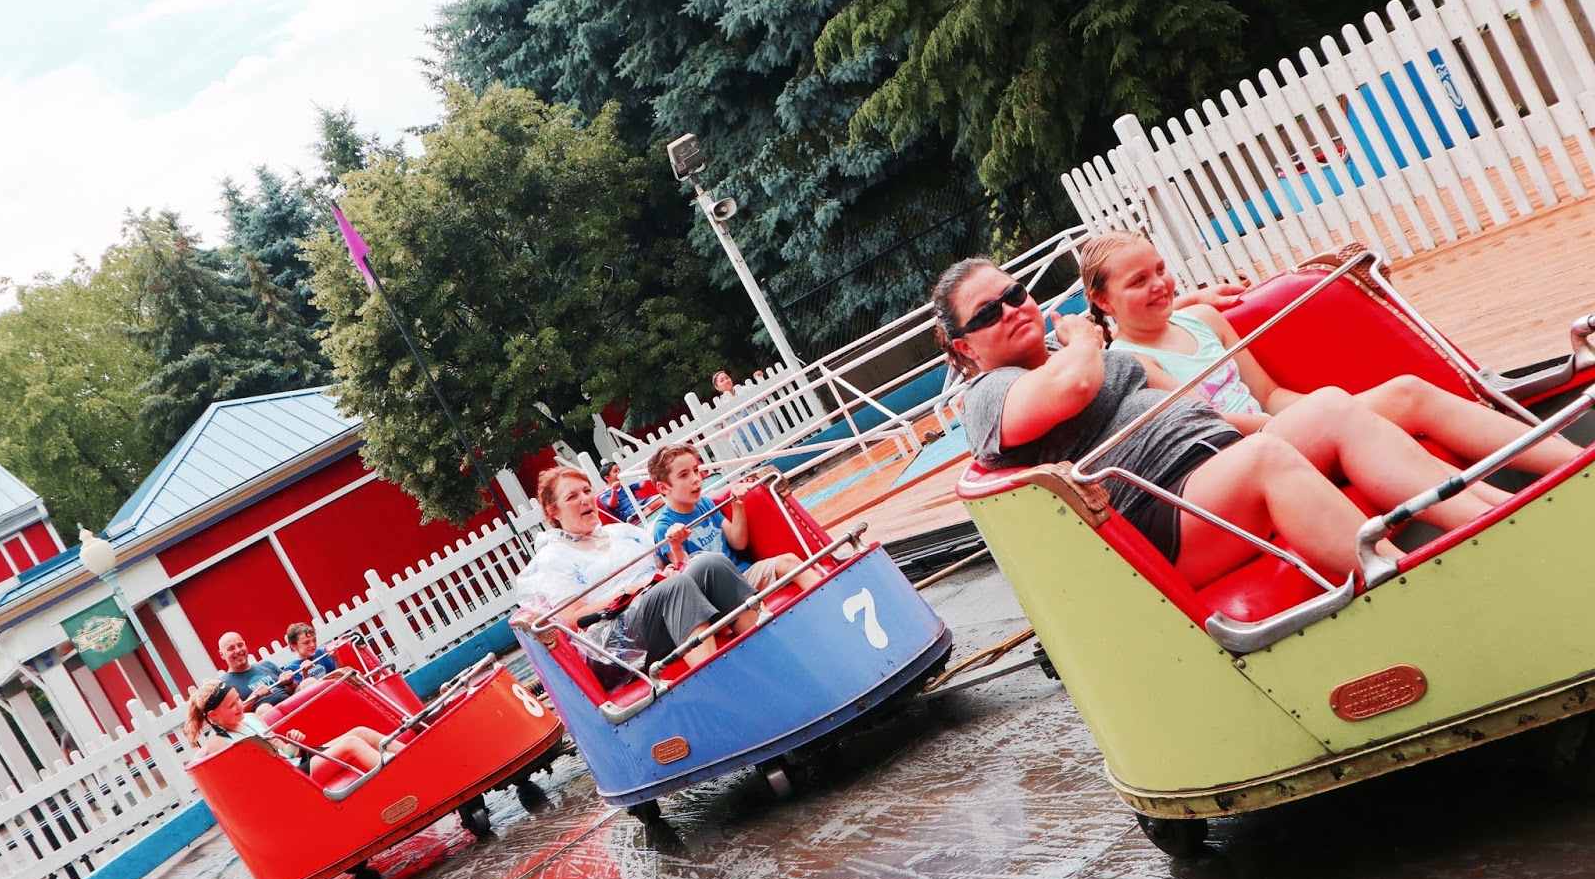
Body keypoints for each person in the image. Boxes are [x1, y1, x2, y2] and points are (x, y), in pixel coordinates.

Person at [935, 257, 1508, 588]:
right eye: (989, 312)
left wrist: (1304, 422)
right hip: (1163, 515)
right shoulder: (989, 393)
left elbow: (1195, 407)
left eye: (1015, 293)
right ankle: (1410, 583)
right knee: (1265, 459)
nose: (1012, 309)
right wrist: (1082, 339)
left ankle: (1499, 522)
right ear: (965, 345)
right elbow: (1073, 388)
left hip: (1216, 466)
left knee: (1332, 406)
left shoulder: (1090, 357)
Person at [1080, 231, 1586, 474]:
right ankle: (1569, 469)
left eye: (1162, 269)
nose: (1160, 285)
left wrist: (1332, 401)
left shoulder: (1205, 320)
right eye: (1139, 281)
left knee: (1389, 401)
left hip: (1286, 425)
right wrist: (1335, 412)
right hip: (1248, 454)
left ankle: (1561, 463)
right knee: (1406, 396)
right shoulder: (1133, 365)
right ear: (1103, 301)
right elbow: (1217, 425)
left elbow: (1270, 394)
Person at [515, 466, 767, 683]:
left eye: (587, 490)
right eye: (572, 496)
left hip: (659, 607)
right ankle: (720, 679)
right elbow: (573, 619)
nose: (585, 499)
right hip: (612, 643)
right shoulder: (553, 558)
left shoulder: (622, 532)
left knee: (709, 564)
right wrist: (641, 586)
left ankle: (766, 651)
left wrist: (668, 569)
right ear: (553, 511)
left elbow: (667, 569)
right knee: (675, 587)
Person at [648, 444, 821, 592]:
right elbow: (690, 578)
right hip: (720, 592)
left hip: (741, 575)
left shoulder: (705, 504)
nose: (696, 479)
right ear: (663, 488)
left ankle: (832, 599)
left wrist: (738, 505)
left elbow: (738, 542)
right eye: (684, 475)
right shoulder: (664, 527)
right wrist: (676, 545)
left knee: (789, 561)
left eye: (695, 470)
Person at [183, 678, 404, 782]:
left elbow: (287, 753)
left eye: (238, 700)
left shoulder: (250, 718)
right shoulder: (218, 743)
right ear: (213, 716)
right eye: (231, 706)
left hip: (296, 764)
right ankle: (399, 776)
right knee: (352, 744)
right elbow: (247, 781)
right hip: (290, 780)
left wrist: (293, 742)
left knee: (360, 732)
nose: (240, 706)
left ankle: (410, 758)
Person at [216, 632, 288, 712]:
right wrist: (254, 695)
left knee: (304, 684)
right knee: (264, 709)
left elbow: (293, 690)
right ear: (222, 655)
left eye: (240, 645)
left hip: (291, 704)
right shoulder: (224, 685)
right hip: (264, 719)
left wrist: (289, 682)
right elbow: (234, 715)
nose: (238, 650)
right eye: (231, 648)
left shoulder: (267, 665)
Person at [713, 369, 769, 456]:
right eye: (722, 381)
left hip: (761, 428)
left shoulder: (745, 389)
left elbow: (763, 396)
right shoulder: (720, 405)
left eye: (727, 378)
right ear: (717, 387)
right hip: (743, 440)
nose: (726, 381)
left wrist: (759, 379)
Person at [277, 622, 336, 693]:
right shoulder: (291, 668)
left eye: (314, 640)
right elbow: (304, 692)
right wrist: (305, 672)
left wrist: (336, 657)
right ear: (293, 646)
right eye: (306, 643)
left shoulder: (320, 652)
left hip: (332, 687)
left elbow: (339, 672)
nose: (313, 645)